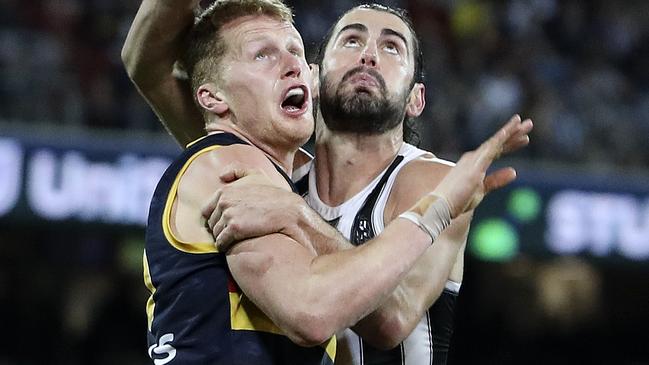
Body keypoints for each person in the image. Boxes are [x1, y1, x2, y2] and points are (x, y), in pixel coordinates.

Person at [122, 1, 533, 364]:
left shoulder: (432, 180)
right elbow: (147, 63)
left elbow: (392, 318)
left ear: (416, 99)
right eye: (351, 41)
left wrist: (299, 216)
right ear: (315, 78)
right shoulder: (255, 161)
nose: (369, 55)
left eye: (392, 47)